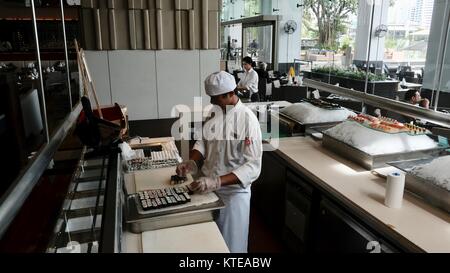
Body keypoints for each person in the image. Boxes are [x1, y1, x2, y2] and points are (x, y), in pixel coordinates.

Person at [176, 71, 263, 253]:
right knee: (209, 243)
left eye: (216, 98)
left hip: (233, 197)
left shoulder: (247, 120)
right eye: (211, 98)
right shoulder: (214, 114)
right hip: (207, 191)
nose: (212, 103)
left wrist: (217, 181)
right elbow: (202, 142)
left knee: (231, 248)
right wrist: (192, 162)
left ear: (230, 94)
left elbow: (252, 167)